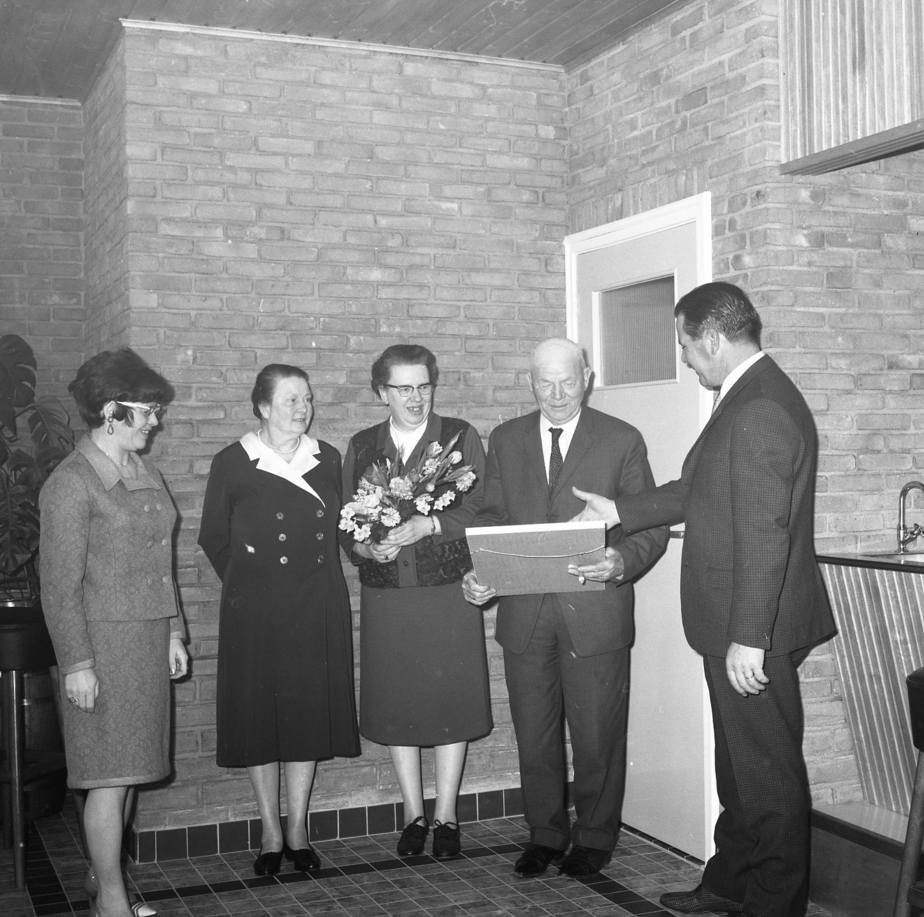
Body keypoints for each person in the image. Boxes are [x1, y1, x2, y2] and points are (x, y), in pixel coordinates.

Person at [570, 282, 835, 917]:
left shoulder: (759, 407)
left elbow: (765, 531)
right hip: (739, 622)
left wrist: (750, 636)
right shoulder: (747, 394)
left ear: (712, 339)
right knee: (741, 769)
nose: (685, 358)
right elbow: (700, 487)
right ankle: (730, 885)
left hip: (754, 628)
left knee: (765, 777)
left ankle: (773, 905)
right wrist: (621, 510)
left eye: (686, 346)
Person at [462, 337, 667, 879]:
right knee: (535, 734)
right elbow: (491, 518)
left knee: (598, 735)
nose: (556, 395)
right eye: (545, 383)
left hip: (596, 613)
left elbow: (650, 528)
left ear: (588, 379)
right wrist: (483, 573)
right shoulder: (506, 439)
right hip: (525, 615)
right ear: (530, 382)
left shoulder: (621, 439)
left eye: (568, 382)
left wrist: (619, 561)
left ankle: (595, 838)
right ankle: (545, 835)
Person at [39, 348, 189, 917]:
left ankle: (100, 879)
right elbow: (58, 588)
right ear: (110, 411)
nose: (155, 421)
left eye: (155, 410)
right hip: (101, 648)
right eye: (146, 411)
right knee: (108, 776)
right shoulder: (72, 484)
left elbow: (160, 563)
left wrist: (172, 632)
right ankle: (112, 902)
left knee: (128, 772)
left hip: (145, 642)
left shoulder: (144, 470)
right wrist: (77, 664)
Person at [198, 364, 359, 876]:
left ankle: (298, 831)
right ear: (263, 407)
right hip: (256, 609)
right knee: (260, 719)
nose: (302, 409)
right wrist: (252, 583)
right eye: (291, 400)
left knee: (305, 715)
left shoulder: (326, 457)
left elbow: (345, 527)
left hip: (317, 601)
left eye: (307, 399)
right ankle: (270, 831)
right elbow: (213, 537)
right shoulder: (234, 461)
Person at [341, 344, 491, 859]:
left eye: (424, 386)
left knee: (450, 699)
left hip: (446, 592)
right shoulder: (363, 446)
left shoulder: (459, 437)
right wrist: (366, 548)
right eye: (403, 388)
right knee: (398, 700)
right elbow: (346, 522)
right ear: (381, 392)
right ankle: (413, 814)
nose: (416, 398)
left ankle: (447, 814)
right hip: (388, 596)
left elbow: (482, 506)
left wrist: (432, 524)